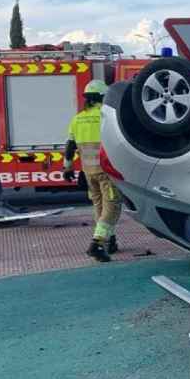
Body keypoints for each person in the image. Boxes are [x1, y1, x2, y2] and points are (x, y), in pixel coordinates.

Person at [64, 79, 120, 262]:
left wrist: (68, 167)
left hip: (89, 172)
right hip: (106, 171)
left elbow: (70, 145)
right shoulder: (105, 116)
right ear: (102, 97)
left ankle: (108, 241)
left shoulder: (77, 118)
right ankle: (97, 243)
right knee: (112, 206)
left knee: (99, 206)